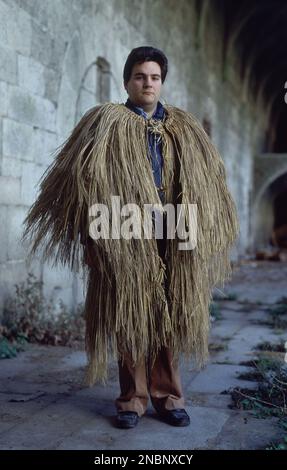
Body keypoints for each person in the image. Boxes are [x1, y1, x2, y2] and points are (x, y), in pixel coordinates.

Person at [23, 46, 239, 429]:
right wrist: (90, 239)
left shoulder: (184, 127)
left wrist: (200, 232)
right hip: (121, 230)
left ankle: (169, 397)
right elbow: (79, 185)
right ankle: (132, 400)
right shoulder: (105, 122)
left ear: (162, 82)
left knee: (169, 314)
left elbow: (208, 184)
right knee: (130, 314)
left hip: (172, 230)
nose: (148, 83)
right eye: (140, 76)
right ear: (127, 81)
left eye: (154, 77)